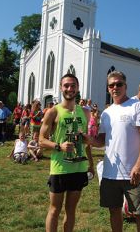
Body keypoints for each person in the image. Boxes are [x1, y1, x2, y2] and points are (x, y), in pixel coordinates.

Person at [85, 71, 140, 232]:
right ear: (108, 88)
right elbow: (102, 141)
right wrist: (88, 139)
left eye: (118, 84)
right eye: (111, 85)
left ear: (125, 86)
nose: (115, 87)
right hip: (110, 173)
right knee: (114, 211)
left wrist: (139, 165)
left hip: (133, 173)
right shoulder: (107, 112)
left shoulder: (137, 106)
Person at [39, 73, 94, 232]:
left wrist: (90, 165)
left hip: (79, 168)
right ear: (61, 88)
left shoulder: (85, 112)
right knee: (54, 210)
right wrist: (59, 146)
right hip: (60, 167)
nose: (69, 89)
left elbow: (87, 143)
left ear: (77, 88)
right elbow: (41, 140)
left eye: (73, 86)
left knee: (71, 211)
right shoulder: (53, 112)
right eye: (66, 85)